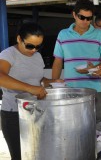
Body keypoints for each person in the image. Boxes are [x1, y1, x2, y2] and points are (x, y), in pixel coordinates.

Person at [0, 22, 62, 160]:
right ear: (19, 39)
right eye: (30, 45)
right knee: (20, 156)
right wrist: (30, 88)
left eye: (38, 46)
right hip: (14, 114)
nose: (34, 50)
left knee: (38, 154)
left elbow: (37, 80)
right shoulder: (8, 54)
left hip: (36, 112)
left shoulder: (37, 57)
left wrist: (52, 82)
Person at [52, 0, 101, 121]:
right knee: (70, 125)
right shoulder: (62, 34)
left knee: (94, 126)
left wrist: (93, 69)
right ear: (74, 14)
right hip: (69, 89)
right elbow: (58, 62)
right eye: (82, 17)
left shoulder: (99, 35)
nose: (85, 21)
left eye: (89, 18)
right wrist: (54, 85)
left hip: (94, 90)